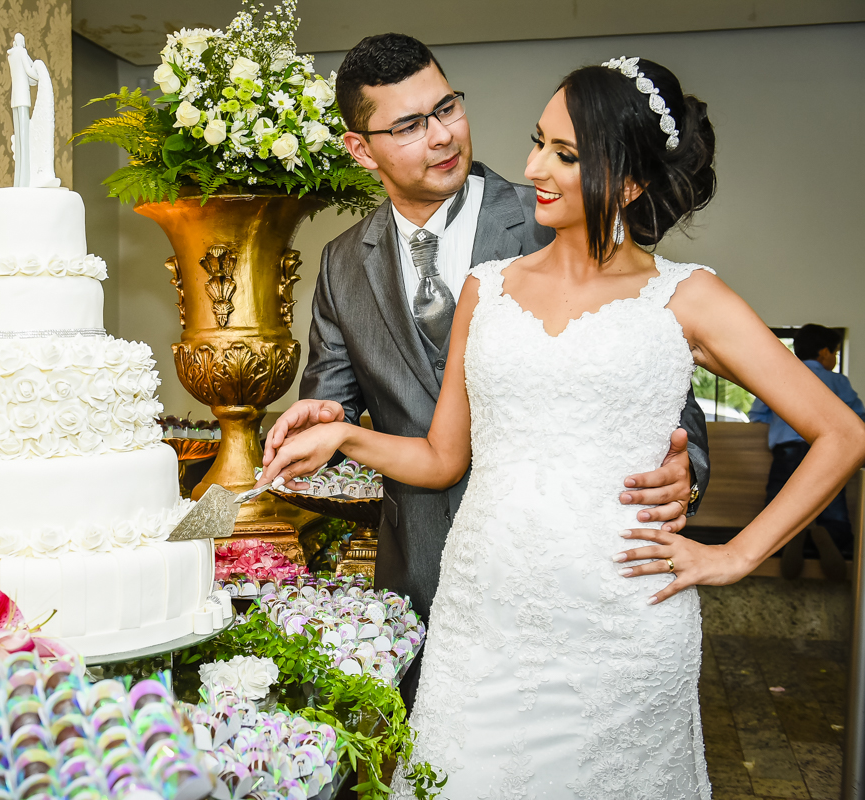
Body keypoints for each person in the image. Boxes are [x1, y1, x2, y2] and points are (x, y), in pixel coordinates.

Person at [259, 57, 865, 798]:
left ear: (632, 180)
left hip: (622, 628)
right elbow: (442, 459)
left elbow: (843, 432)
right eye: (538, 141)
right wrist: (345, 436)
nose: (532, 166)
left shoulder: (688, 300)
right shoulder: (488, 289)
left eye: (565, 155)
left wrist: (735, 556)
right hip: (481, 619)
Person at [261, 33, 709, 709]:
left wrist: (687, 468)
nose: (441, 136)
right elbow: (335, 404)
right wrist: (326, 418)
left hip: (565, 578)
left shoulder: (559, 211)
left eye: (447, 108)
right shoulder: (342, 263)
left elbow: (652, 372)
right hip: (417, 576)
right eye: (410, 125)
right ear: (361, 149)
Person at [750, 324, 865, 576]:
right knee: (832, 502)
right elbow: (858, 420)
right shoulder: (837, 381)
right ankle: (830, 537)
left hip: (787, 449)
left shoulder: (779, 376)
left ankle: (784, 537)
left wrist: (783, 425)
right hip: (830, 451)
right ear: (824, 353)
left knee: (778, 500)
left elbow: (758, 416)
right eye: (834, 353)